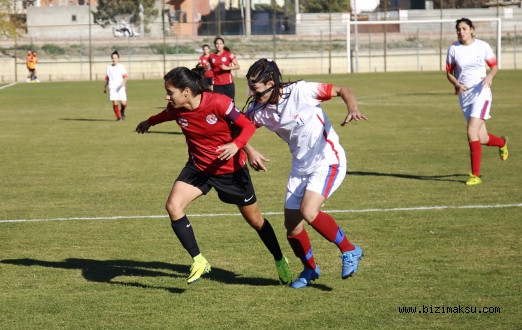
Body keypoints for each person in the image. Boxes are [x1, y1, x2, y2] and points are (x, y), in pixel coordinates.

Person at [135, 67, 292, 285]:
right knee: (173, 206)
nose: (167, 96)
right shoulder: (176, 107)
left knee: (256, 221)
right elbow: (165, 115)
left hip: (231, 172)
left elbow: (246, 125)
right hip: (198, 168)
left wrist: (238, 146)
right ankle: (199, 260)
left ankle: (279, 258)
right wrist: (148, 122)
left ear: (187, 91)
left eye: (170, 92)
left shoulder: (218, 102)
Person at [242, 58, 367, 289]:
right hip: (300, 168)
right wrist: (249, 150)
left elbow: (342, 89)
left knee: (309, 211)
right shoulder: (259, 110)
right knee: (292, 227)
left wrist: (353, 108)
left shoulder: (300, 91)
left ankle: (350, 250)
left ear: (271, 82)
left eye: (255, 87)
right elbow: (237, 131)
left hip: (327, 160)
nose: (252, 92)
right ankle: (310, 269)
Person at [446, 18, 508, 186]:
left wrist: (489, 76)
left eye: (464, 28)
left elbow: (494, 67)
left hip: (482, 93)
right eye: (458, 29)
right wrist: (457, 84)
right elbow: (449, 73)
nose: (461, 32)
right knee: (482, 138)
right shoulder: (453, 49)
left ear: (472, 30)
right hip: (465, 97)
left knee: (471, 132)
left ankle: (476, 175)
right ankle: (502, 142)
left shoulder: (482, 46)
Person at [104, 50, 128, 121]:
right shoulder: (109, 68)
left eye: (115, 58)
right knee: (115, 102)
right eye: (113, 58)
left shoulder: (121, 67)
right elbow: (107, 78)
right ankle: (118, 117)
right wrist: (105, 87)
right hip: (112, 87)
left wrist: (123, 83)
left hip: (120, 87)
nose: (114, 59)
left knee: (124, 103)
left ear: (118, 58)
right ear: (111, 59)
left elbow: (125, 77)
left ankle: (122, 111)